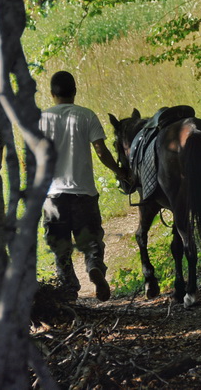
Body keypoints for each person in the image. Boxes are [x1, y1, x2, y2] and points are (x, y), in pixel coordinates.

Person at [40, 71, 127, 302]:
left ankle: (69, 291)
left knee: (60, 248)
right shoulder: (86, 115)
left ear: (51, 93)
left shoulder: (42, 119)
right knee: (91, 242)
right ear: (75, 91)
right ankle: (93, 268)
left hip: (53, 196)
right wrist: (119, 171)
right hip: (84, 195)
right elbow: (101, 151)